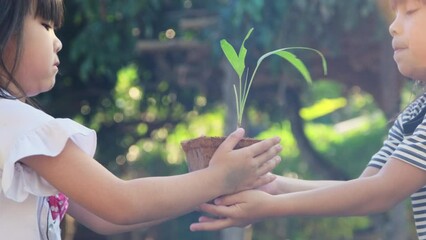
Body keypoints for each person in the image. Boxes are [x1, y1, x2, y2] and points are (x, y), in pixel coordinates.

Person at [0, 0, 283, 239]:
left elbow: (105, 217)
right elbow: (120, 203)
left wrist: (207, 188)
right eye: (46, 26)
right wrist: (219, 178)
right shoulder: (19, 123)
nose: (58, 42)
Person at [190, 0, 426, 239]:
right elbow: (367, 184)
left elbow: (381, 192)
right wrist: (275, 186)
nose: (393, 26)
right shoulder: (415, 114)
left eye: (410, 12)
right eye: (394, 14)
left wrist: (270, 207)